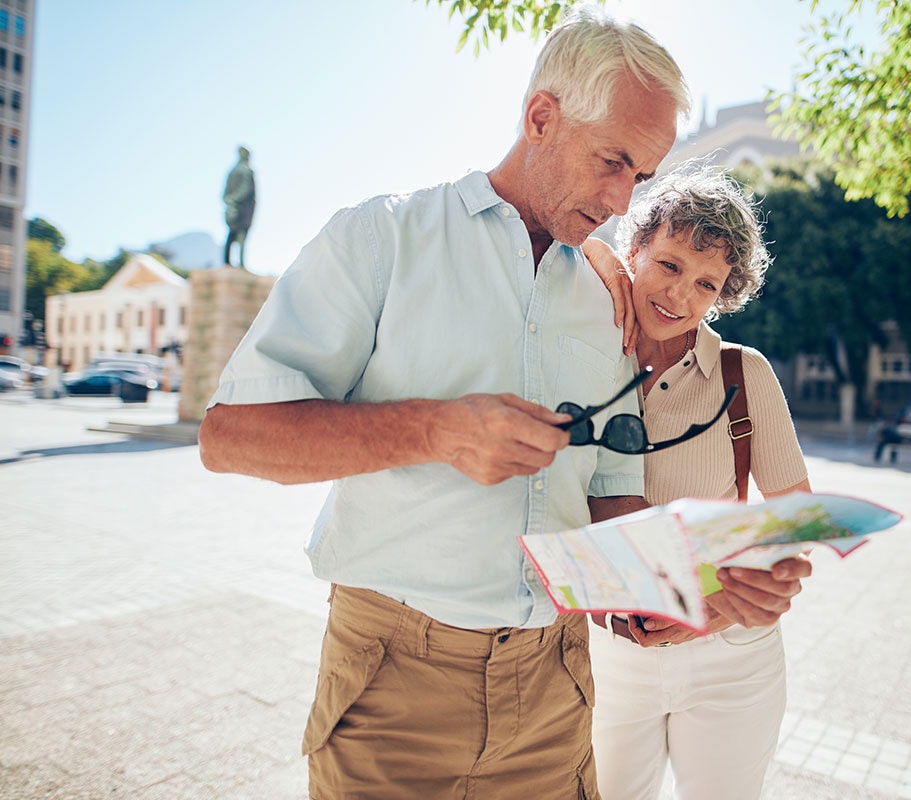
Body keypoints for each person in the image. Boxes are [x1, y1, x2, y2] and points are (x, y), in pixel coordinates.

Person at [196, 9, 807, 799]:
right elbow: (229, 438)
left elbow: (606, 497)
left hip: (557, 690)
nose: (623, 202)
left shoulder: (604, 299)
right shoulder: (382, 240)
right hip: (394, 685)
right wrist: (434, 428)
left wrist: (702, 584)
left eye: (642, 177)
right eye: (612, 162)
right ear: (541, 117)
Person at [582, 162, 811, 800]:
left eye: (706, 283)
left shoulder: (745, 374)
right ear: (635, 249)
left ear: (722, 297)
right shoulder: (585, 353)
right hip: (608, 655)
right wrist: (596, 256)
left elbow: (796, 521)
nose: (680, 296)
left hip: (731, 657)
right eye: (669, 265)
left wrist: (705, 607)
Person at [222, 146, 256, 268]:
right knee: (241, 235)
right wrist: (235, 199)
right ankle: (240, 263)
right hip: (243, 208)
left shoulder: (232, 171)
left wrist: (229, 200)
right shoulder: (246, 171)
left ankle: (227, 262)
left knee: (232, 235)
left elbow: (225, 193)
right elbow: (246, 189)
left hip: (233, 206)